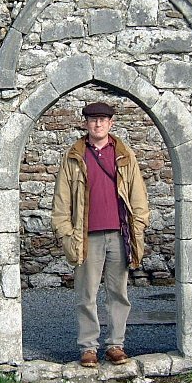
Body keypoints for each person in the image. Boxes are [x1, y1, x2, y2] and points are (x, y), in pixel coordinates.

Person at [51, 101, 150, 367]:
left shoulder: (124, 155)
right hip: (86, 236)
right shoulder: (74, 156)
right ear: (85, 123)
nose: (98, 124)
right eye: (93, 120)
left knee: (118, 293)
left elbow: (138, 194)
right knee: (87, 295)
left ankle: (116, 345)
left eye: (103, 120)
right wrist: (65, 233)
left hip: (119, 234)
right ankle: (88, 347)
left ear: (111, 123)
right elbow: (61, 200)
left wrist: (138, 225)